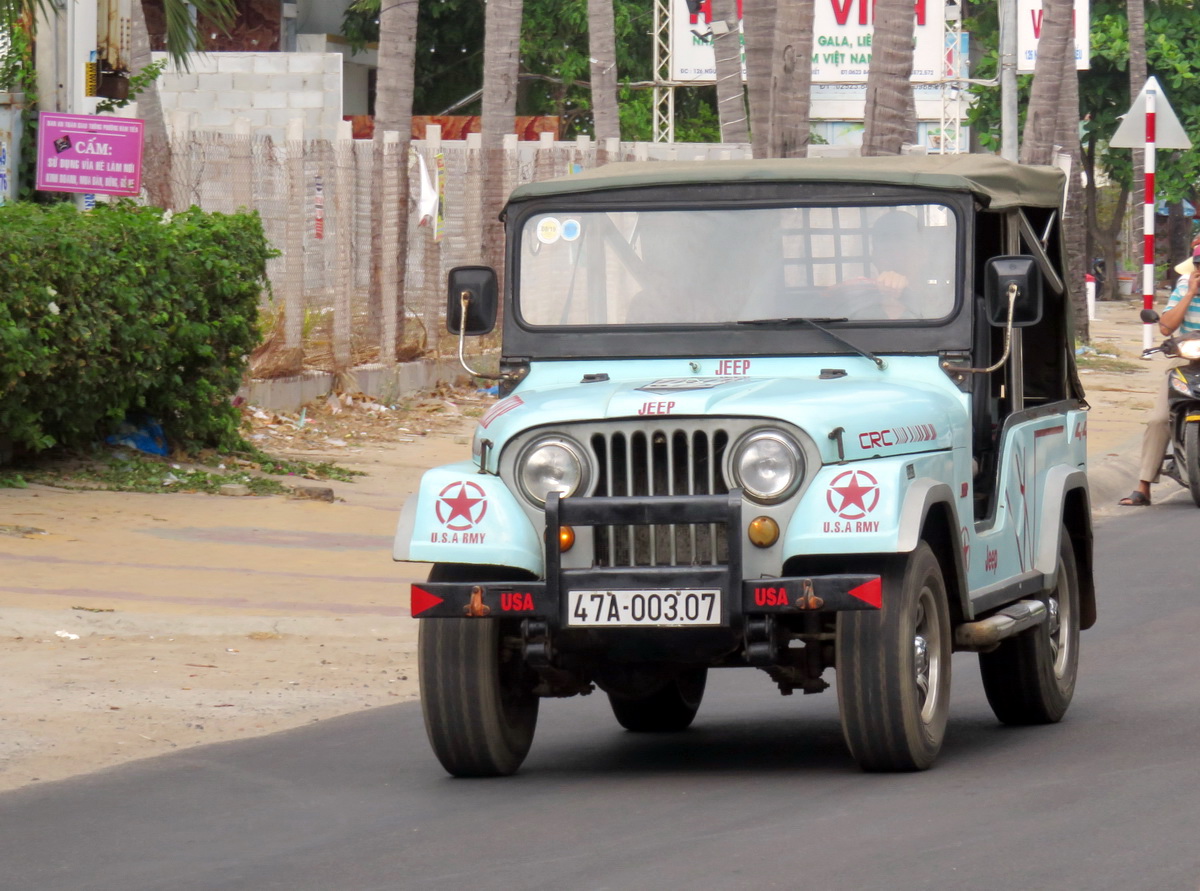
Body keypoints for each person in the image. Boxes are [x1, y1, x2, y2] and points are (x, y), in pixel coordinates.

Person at [1118, 235, 1200, 506]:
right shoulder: (1182, 289)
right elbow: (1166, 327)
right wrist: (1189, 294)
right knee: (1158, 419)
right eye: (1198, 266)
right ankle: (1143, 486)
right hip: (1185, 361)